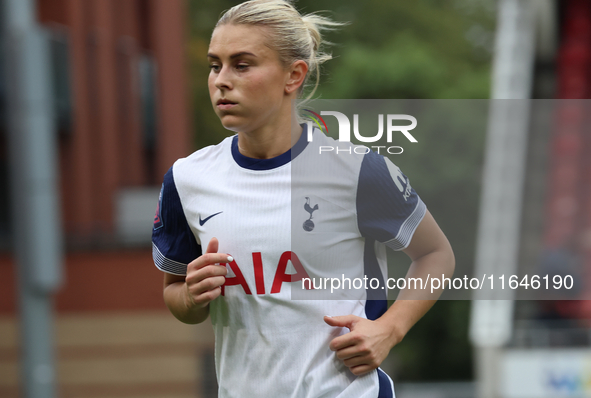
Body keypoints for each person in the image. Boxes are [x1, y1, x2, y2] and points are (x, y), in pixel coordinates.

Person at [151, 1, 455, 397]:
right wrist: (191, 296)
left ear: (293, 76)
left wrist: (389, 329)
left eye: (241, 65)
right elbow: (175, 294)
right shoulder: (187, 178)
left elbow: (436, 254)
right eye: (215, 65)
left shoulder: (358, 170)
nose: (222, 80)